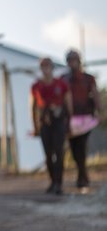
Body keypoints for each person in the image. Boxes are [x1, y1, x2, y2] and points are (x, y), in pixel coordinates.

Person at [30, 57, 72, 195]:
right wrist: (35, 125)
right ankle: (52, 181)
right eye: (43, 66)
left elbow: (68, 103)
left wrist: (69, 122)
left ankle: (59, 183)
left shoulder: (61, 84)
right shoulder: (36, 86)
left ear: (52, 68)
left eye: (48, 66)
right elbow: (33, 106)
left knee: (59, 152)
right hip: (44, 123)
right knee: (48, 154)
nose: (46, 69)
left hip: (58, 121)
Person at [62, 49, 101, 188]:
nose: (72, 63)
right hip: (70, 120)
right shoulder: (64, 79)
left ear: (79, 61)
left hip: (86, 118)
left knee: (81, 146)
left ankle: (82, 176)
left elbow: (95, 95)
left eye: (75, 60)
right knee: (74, 148)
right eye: (70, 60)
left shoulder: (88, 78)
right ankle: (82, 174)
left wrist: (99, 111)